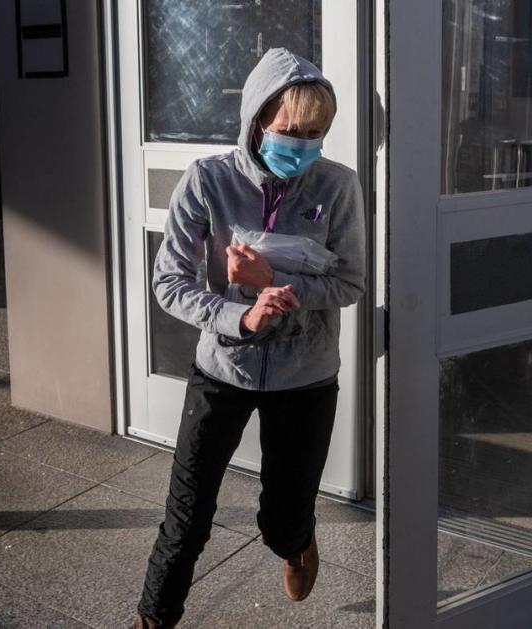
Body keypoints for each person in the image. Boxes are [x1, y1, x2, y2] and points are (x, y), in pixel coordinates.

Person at [132, 48, 366, 629]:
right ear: (259, 121)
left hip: (305, 377)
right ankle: (152, 619)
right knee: (186, 518)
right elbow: (168, 283)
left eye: (316, 133)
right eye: (290, 130)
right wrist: (239, 317)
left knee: (282, 517)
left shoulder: (337, 186)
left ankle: (297, 540)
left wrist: (271, 281)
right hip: (223, 372)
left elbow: (349, 282)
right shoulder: (208, 181)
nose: (303, 144)